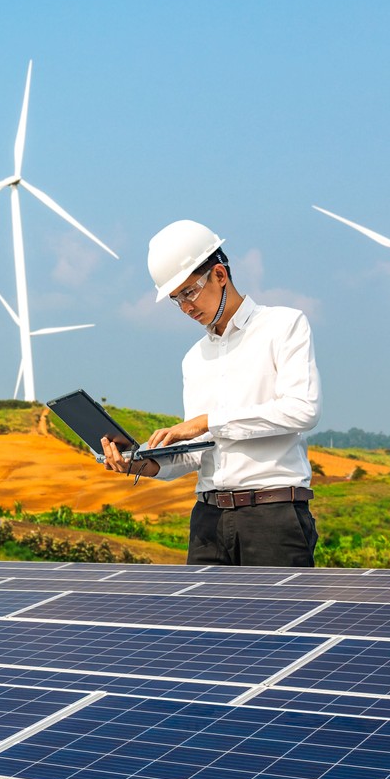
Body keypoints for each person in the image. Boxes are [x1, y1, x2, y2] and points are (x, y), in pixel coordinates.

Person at [101, 220, 322, 567]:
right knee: (200, 606)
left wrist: (207, 421)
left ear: (219, 274)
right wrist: (141, 463)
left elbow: (302, 410)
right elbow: (199, 452)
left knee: (279, 606)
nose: (186, 308)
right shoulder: (194, 358)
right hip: (207, 520)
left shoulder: (284, 326)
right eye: (176, 300)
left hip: (273, 516)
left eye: (189, 292)